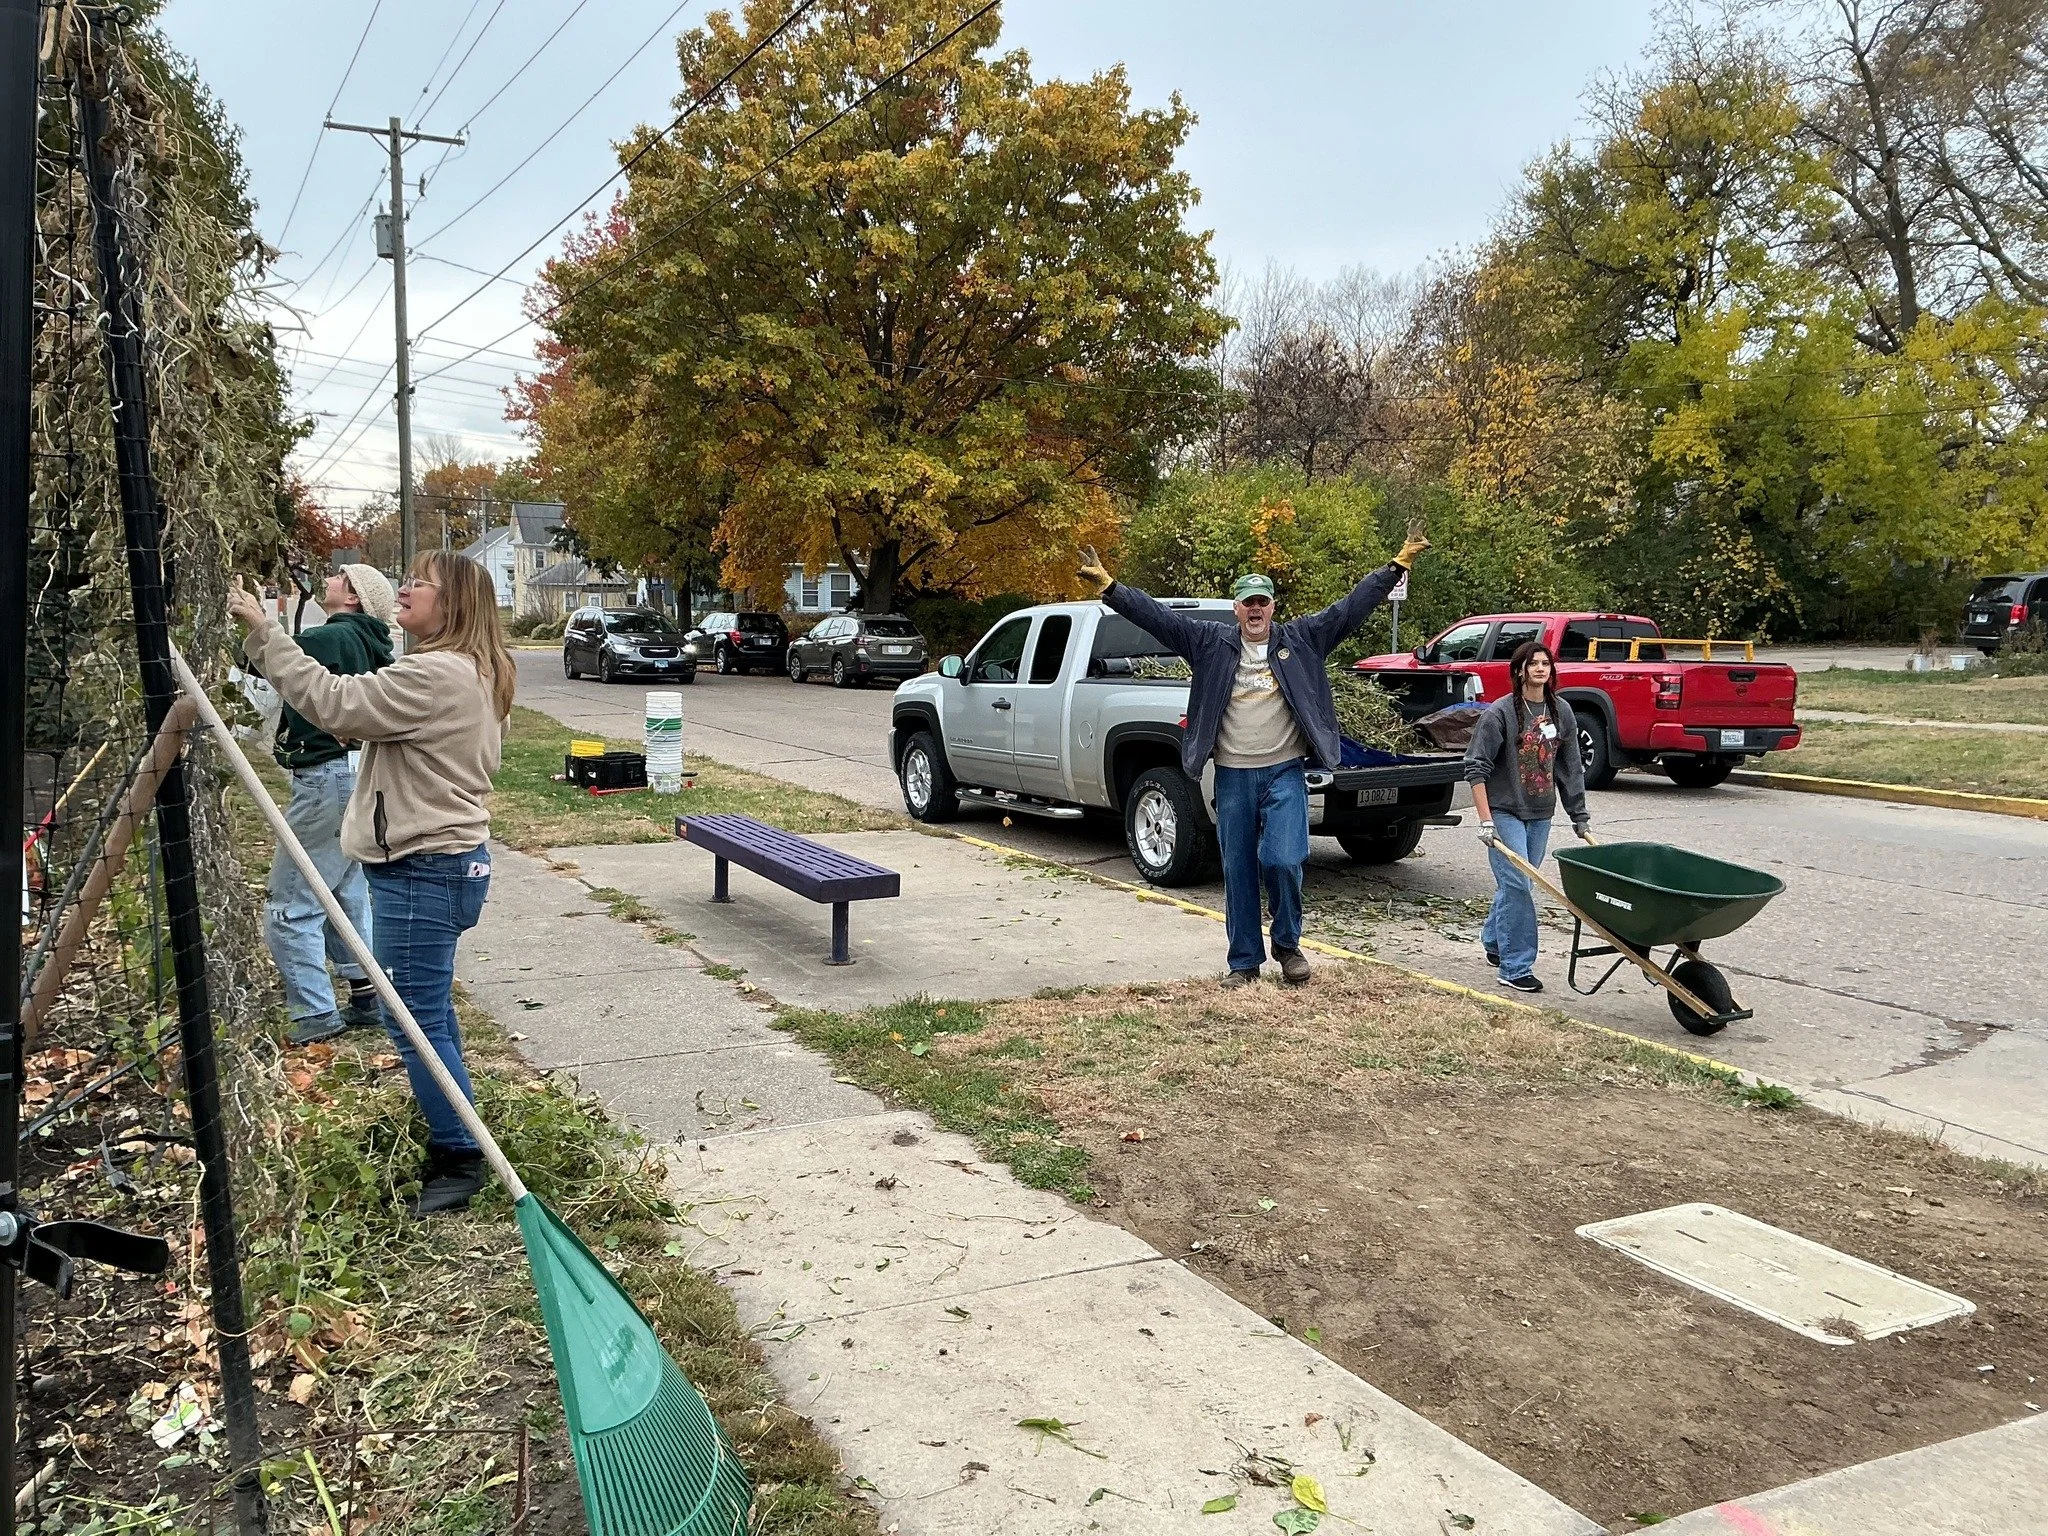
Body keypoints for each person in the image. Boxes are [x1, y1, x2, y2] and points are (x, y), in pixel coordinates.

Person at [229, 550, 514, 1216]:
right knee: (427, 1010)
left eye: (422, 583)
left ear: (455, 605)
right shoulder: (470, 669)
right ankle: (458, 1124)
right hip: (441, 863)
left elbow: (334, 704)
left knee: (411, 1018)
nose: (406, 588)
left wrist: (266, 636)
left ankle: (459, 1156)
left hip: (426, 867)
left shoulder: (438, 674)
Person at [1078, 523, 1432, 988]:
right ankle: (1244, 962)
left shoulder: (1303, 639)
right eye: (1248, 602)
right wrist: (1112, 589)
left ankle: (1287, 943)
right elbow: (1158, 618)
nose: (1256, 609)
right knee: (1238, 868)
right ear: (1236, 609)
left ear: (1273, 608)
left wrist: (1396, 565)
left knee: (1285, 860)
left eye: (1263, 601)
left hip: (1284, 771)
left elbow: (1351, 609)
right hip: (1232, 775)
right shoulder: (1208, 641)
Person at [260, 564, 395, 1046]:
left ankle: (314, 1013)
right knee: (345, 890)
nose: (330, 580)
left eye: (341, 578)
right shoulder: (371, 640)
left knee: (291, 901)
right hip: (360, 771)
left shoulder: (331, 637)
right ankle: (366, 994)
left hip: (326, 776)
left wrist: (256, 624)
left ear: (354, 597)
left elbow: (271, 664)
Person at [1464, 640, 1591, 993]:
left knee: (1518, 884)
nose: (1539, 669)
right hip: (1504, 812)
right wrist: (1485, 820)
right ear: (1519, 671)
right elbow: (1475, 768)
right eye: (1532, 664)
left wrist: (1578, 814)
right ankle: (1516, 966)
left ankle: (1493, 939)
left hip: (1540, 812)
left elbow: (1570, 768)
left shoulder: (1560, 711)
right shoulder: (1500, 713)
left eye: (1545, 663)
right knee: (1519, 884)